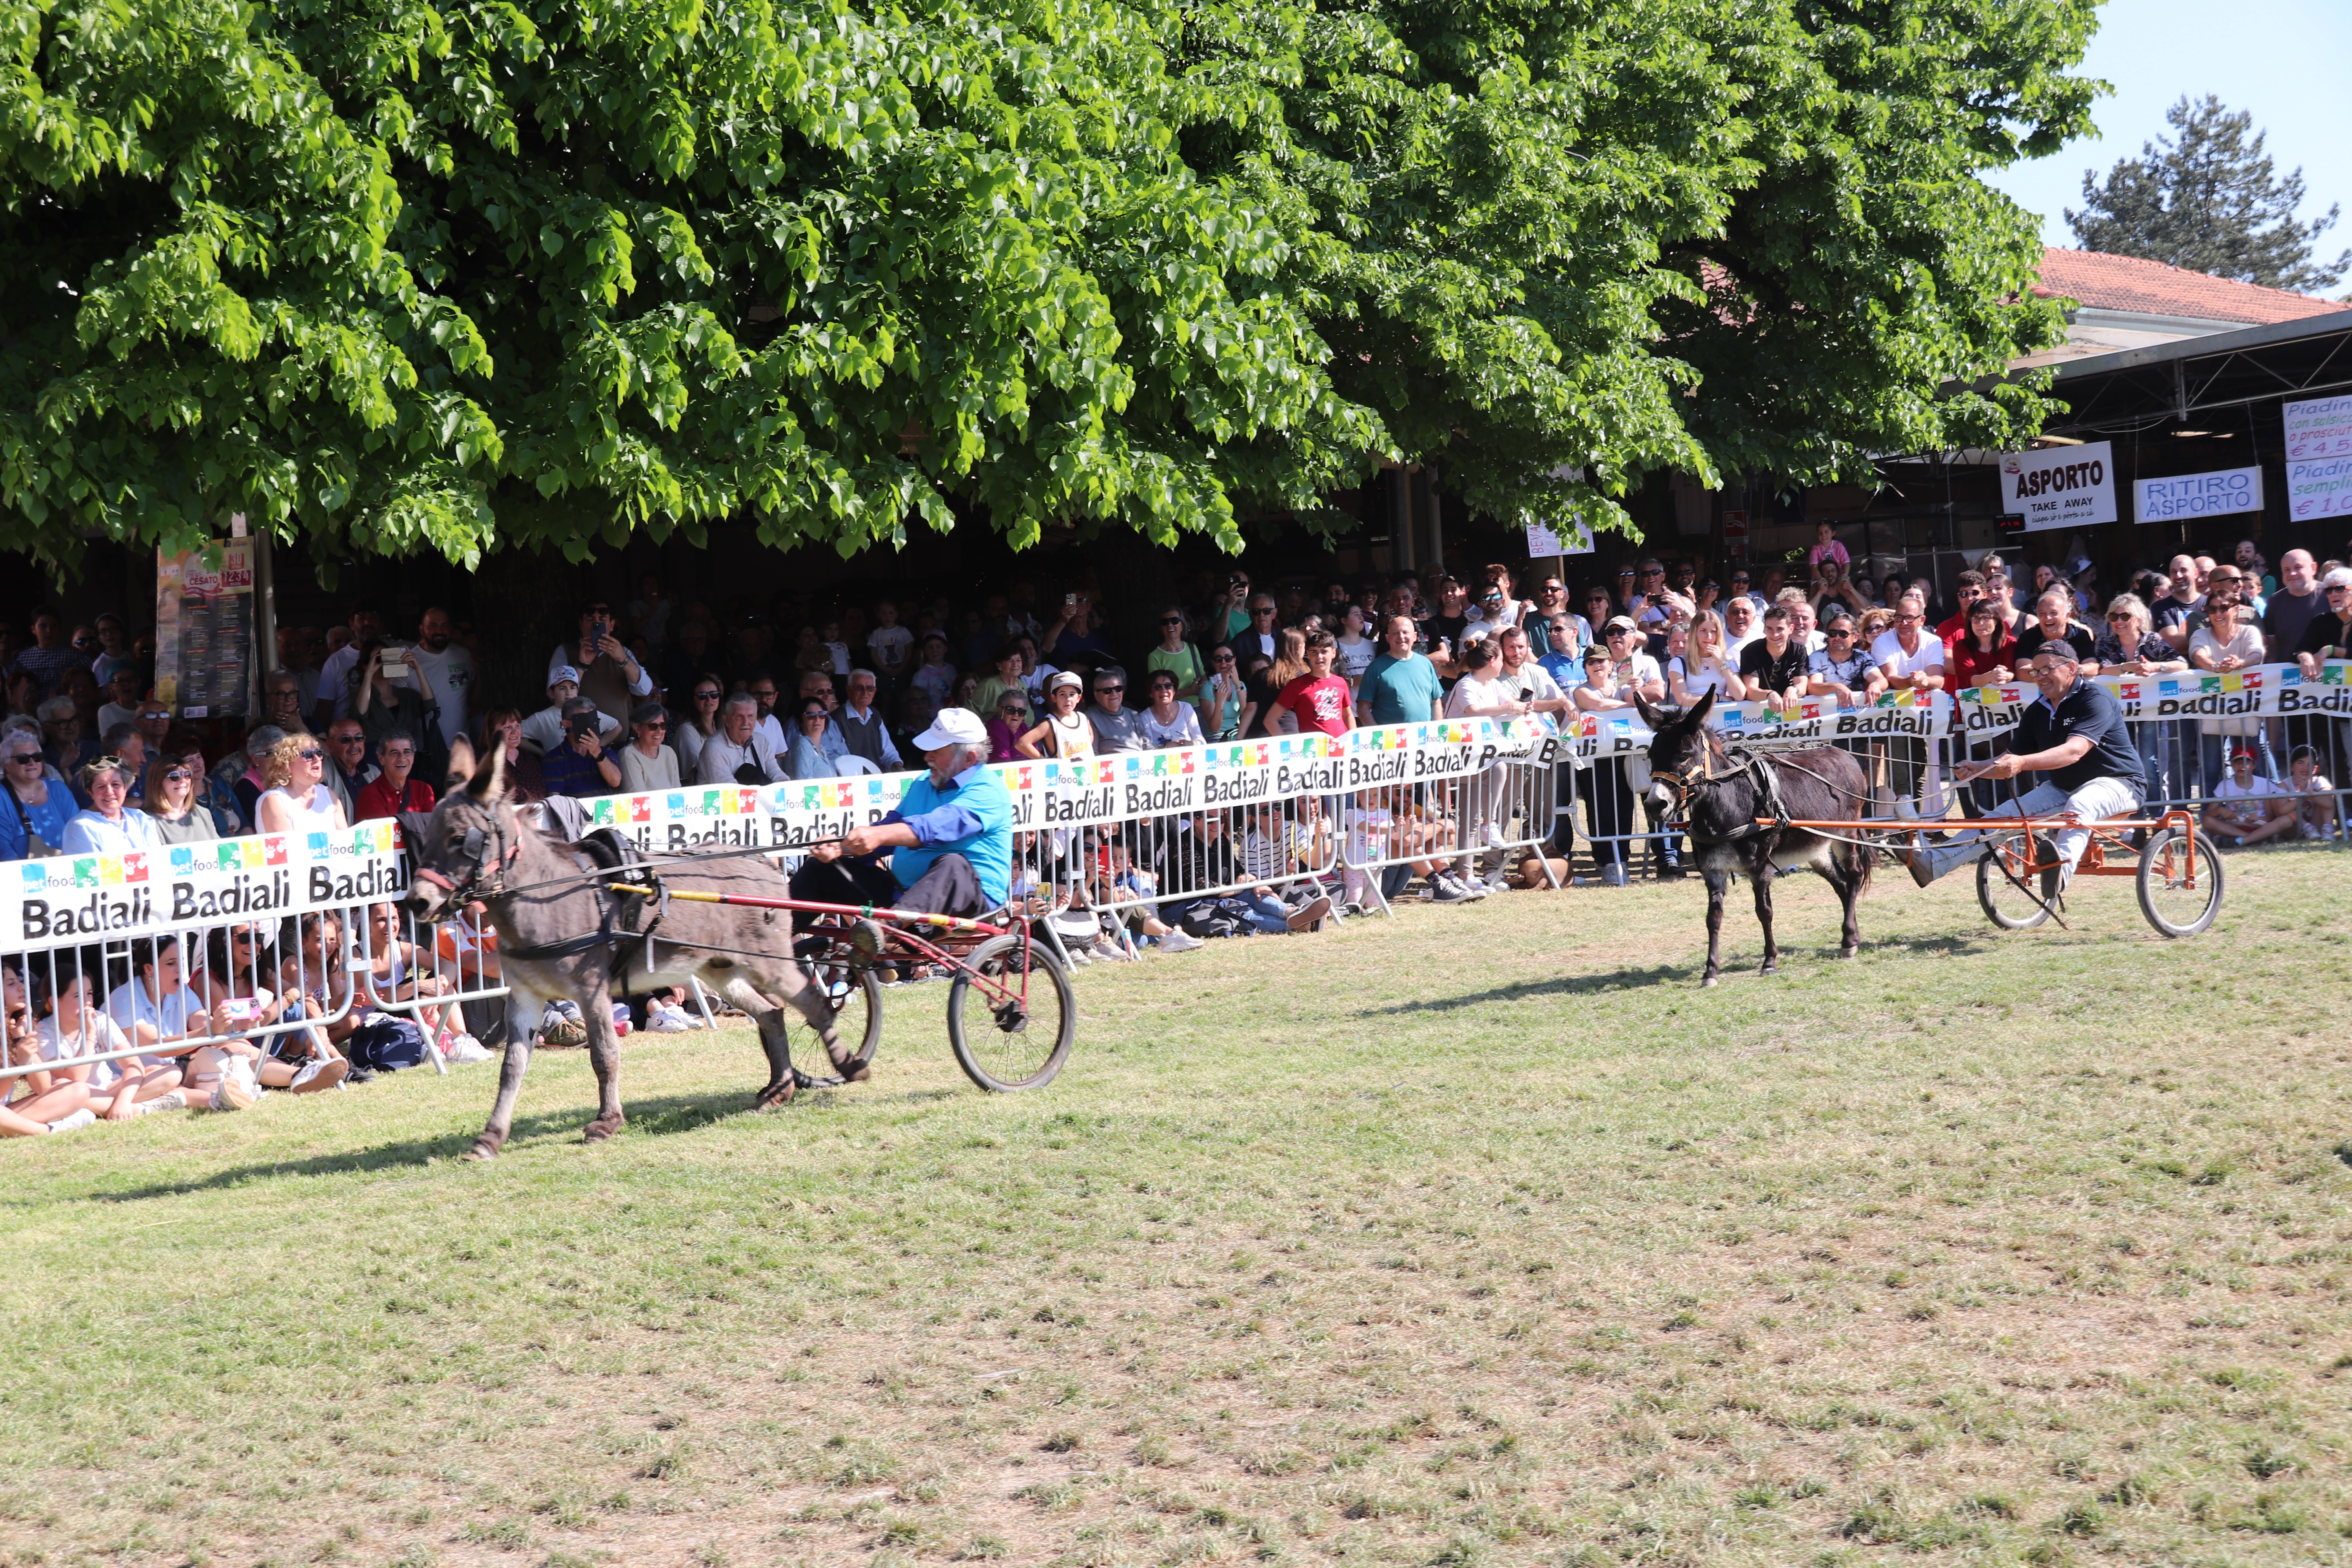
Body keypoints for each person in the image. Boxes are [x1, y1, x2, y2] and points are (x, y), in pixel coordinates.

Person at [1896, 641, 2145, 889]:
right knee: (2002, 817)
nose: (2040, 677)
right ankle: (1934, 863)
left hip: (2119, 783)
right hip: (2064, 787)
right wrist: (1978, 768)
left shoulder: (2095, 698)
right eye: (2035, 672)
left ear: (2071, 668)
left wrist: (2021, 763)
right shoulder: (2038, 710)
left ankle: (2058, 874)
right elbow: (2010, 760)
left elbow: (2074, 751)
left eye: (2047, 669)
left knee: (2080, 805)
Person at [791, 708, 1014, 919]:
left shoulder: (988, 790)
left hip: (969, 904)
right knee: (821, 869)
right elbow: (890, 828)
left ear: (969, 759)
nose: (928, 757)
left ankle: (887, 929)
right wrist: (841, 847)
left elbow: (934, 828)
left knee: (953, 864)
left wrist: (879, 836)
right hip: (904, 897)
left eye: (937, 752)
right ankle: (769, 935)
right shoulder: (925, 782)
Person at [2189, 588, 2269, 790]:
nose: (2218, 614)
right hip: (2212, 711)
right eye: (2212, 609)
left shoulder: (2249, 631)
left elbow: (2257, 655)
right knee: (2210, 768)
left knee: (2253, 762)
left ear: (2236, 610)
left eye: (2224, 608)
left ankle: (2262, 813)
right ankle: (2210, 816)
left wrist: (2240, 664)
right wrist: (2217, 667)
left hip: (2246, 708)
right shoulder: (2201, 633)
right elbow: (2198, 657)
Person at [1572, 645, 1639, 886]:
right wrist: (1629, 707)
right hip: (1594, 761)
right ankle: (1607, 861)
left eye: (1602, 661)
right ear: (1586, 669)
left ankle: (1622, 859)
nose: (1597, 665)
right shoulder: (1582, 691)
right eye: (1591, 662)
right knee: (1601, 809)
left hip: (1622, 756)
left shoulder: (1621, 689)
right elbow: (1598, 706)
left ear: (1612, 665)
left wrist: (1634, 691)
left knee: (1624, 808)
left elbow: (1637, 701)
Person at [549, 599, 654, 728]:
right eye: (590, 620)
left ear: (612, 625)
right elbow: (556, 697)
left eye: (602, 620)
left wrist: (623, 659)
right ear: (581, 624)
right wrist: (582, 665)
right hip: (580, 741)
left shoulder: (623, 652)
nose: (596, 624)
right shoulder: (565, 651)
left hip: (618, 741)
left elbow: (644, 690)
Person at [408, 606, 475, 758]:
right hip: (423, 749)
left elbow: (473, 700)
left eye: (445, 625)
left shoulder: (463, 655)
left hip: (461, 747)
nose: (440, 631)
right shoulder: (409, 661)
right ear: (421, 629)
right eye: (433, 625)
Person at [2201, 743, 2296, 847]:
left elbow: (2271, 817)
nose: (2241, 766)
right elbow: (2208, 815)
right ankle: (2253, 838)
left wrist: (2258, 819)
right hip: (2234, 826)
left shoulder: (2264, 784)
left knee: (2286, 821)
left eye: (2246, 762)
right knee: (2208, 821)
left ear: (2254, 765)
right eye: (2237, 762)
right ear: (2232, 765)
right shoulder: (2225, 785)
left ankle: (2244, 840)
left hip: (2260, 825)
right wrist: (2220, 811)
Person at [60, 755, 159, 853]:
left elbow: (157, 859)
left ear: (125, 789)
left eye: (116, 785)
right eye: (101, 786)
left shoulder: (140, 818)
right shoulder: (82, 827)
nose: (109, 792)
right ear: (90, 792)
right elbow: (90, 869)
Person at [0, 729, 74, 859]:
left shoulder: (59, 790)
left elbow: (77, 834)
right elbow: (3, 849)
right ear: (7, 765)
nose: (32, 763)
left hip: (66, 874)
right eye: (23, 759)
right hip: (22, 875)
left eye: (37, 757)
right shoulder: (2, 797)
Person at [257, 731, 350, 835]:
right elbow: (289, 847)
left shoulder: (329, 795)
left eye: (319, 753)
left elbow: (345, 841)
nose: (317, 759)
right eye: (308, 755)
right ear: (286, 765)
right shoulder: (275, 801)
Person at [1361, 614, 1446, 726]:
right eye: (1396, 633)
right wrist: (1378, 735)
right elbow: (1363, 707)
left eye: (1406, 633)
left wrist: (1436, 730)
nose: (1401, 637)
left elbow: (1436, 701)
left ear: (1415, 636)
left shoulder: (1426, 664)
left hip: (1425, 738)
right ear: (1388, 638)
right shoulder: (1376, 668)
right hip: (1391, 740)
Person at [1268, 632, 1353, 738]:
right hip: (1314, 750)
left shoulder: (1341, 683)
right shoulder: (1297, 685)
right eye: (1314, 652)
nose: (1319, 657)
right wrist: (1288, 745)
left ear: (1334, 653)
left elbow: (1348, 715)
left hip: (1341, 747)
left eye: (1324, 652)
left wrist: (1353, 740)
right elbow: (1270, 719)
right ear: (1308, 654)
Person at [695, 693, 785, 784]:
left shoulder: (762, 741)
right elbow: (729, 790)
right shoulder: (714, 748)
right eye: (739, 717)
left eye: (751, 716)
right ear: (726, 720)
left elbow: (775, 773)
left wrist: (787, 787)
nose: (746, 722)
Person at [352, 729, 437, 820]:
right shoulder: (370, 794)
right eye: (395, 753)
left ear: (413, 757)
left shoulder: (424, 790)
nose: (402, 758)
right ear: (382, 759)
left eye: (407, 752)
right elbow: (384, 833)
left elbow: (430, 829)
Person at [1670, 610, 1746, 706]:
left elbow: (1740, 695)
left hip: (1721, 718)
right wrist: (1717, 698)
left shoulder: (1728, 660)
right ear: (1695, 633)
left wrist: (1723, 663)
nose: (1709, 637)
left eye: (1713, 632)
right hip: (1693, 716)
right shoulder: (1679, 662)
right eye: (1703, 631)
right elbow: (1683, 699)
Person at [142, 751, 222, 843]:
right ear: (158, 783)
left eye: (187, 775)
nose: (183, 780)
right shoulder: (149, 822)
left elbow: (219, 850)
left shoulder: (203, 813)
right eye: (174, 776)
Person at [833, 669, 903, 771]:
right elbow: (840, 759)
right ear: (849, 691)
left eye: (870, 688)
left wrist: (898, 767)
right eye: (859, 688)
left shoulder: (874, 714)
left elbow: (888, 751)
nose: (865, 693)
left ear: (875, 692)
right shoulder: (837, 718)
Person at [1017, 670, 1094, 759]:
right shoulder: (1051, 724)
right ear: (1054, 698)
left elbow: (1090, 736)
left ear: (1079, 698)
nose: (1068, 699)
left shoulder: (1083, 718)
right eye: (1062, 695)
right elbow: (1022, 743)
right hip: (1062, 773)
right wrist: (1047, 763)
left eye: (1072, 694)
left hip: (1087, 771)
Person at [673, 675, 727, 780]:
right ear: (692, 699)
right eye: (702, 696)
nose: (709, 699)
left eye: (714, 695)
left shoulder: (723, 726)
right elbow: (699, 767)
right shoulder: (686, 730)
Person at [617, 702, 680, 793]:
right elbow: (638, 796)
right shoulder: (629, 755)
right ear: (638, 729)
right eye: (653, 726)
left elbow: (677, 791)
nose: (659, 731)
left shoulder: (669, 752)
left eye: (663, 726)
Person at [1084, 666, 1147, 752]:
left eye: (1118, 689)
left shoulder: (1133, 714)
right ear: (1097, 695)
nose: (1114, 694)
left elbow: (1148, 746)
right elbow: (1092, 754)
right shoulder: (1090, 718)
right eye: (1107, 691)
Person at [1138, 670, 1205, 748]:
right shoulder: (1144, 717)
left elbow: (1202, 741)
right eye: (1158, 687)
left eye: (1168, 686)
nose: (1164, 691)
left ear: (1174, 691)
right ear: (1151, 693)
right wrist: (1165, 747)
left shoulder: (1186, 708)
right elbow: (1146, 750)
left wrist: (1192, 744)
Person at [2284, 745, 2338, 840]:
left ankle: (2327, 829)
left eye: (2310, 764)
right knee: (2287, 808)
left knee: (2326, 797)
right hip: (2295, 827)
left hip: (2316, 825)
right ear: (2292, 766)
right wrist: (2301, 797)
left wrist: (2312, 796)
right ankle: (2307, 827)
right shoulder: (2285, 784)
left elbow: (2330, 803)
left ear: (2315, 769)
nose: (2305, 768)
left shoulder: (2319, 781)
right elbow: (2280, 811)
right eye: (2301, 763)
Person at [1198, 644, 1249, 740]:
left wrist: (1238, 684)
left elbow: (1246, 714)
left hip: (1237, 735)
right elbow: (1215, 729)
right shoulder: (1207, 688)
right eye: (1219, 659)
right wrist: (1220, 702)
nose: (1224, 663)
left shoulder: (1240, 685)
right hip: (1217, 738)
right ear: (1213, 662)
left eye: (1228, 658)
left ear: (1234, 660)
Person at [783, 698, 839, 780]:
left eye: (822, 715)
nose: (817, 719)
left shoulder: (821, 748)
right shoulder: (802, 746)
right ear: (800, 721)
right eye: (811, 716)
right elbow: (804, 783)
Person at [985, 689, 1033, 762]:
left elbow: (1036, 753)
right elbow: (1004, 762)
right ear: (1000, 710)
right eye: (1011, 710)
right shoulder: (995, 728)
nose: (1016, 715)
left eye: (1021, 712)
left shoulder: (1023, 728)